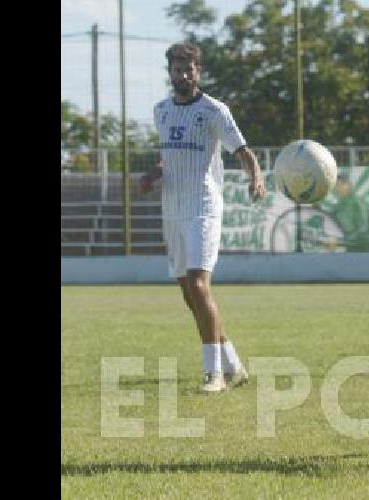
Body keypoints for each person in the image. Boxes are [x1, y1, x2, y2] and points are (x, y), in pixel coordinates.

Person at [138, 42, 267, 393]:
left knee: (198, 284)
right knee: (189, 294)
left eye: (188, 66)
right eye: (177, 66)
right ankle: (232, 363)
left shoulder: (213, 110)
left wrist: (255, 176)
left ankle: (214, 375)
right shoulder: (161, 111)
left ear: (198, 71)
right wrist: (152, 176)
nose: (182, 72)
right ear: (170, 71)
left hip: (203, 208)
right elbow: (169, 157)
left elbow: (243, 151)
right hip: (173, 211)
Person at [329, 173, 369, 252]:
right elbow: (331, 227)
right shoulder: (336, 208)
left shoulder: (358, 203)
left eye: (342, 184)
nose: (339, 188)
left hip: (363, 249)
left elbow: (363, 229)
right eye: (336, 186)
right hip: (348, 249)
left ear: (349, 185)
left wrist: (341, 241)